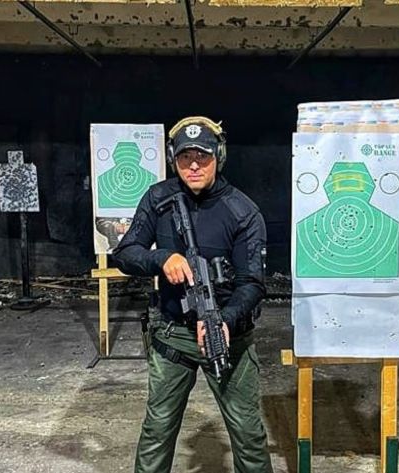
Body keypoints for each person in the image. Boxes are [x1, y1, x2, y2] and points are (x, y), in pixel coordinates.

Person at [112, 116, 273, 473]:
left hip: (228, 337)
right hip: (173, 336)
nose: (194, 165)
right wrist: (161, 258)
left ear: (219, 156)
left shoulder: (243, 211)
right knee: (157, 432)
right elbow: (124, 253)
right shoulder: (158, 199)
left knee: (248, 436)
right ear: (174, 159)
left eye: (203, 156)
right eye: (186, 157)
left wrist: (226, 320)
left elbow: (253, 283)